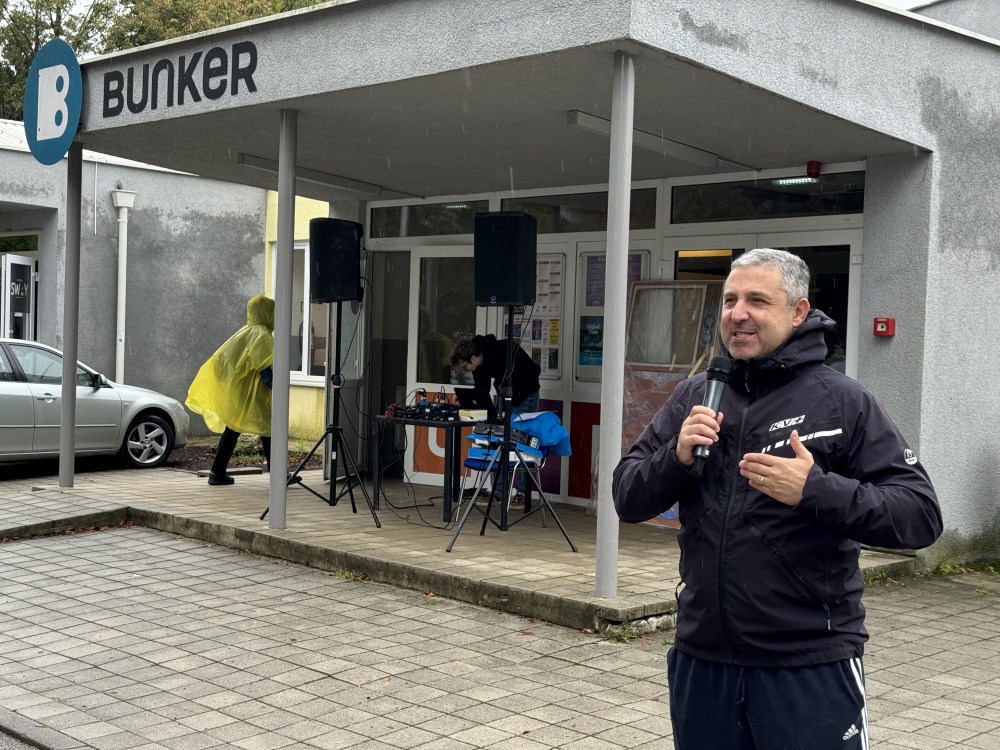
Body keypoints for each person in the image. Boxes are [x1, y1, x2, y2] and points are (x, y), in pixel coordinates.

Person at [612, 249, 942, 749]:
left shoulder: (842, 400)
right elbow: (627, 496)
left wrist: (815, 489)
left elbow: (920, 515)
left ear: (798, 312)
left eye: (757, 301)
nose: (738, 313)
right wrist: (674, 457)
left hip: (807, 664)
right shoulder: (696, 395)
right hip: (703, 658)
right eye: (730, 300)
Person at [186, 294, 275, 486]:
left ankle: (217, 473)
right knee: (268, 430)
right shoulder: (261, 335)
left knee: (233, 430)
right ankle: (278, 476)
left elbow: (221, 360)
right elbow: (265, 368)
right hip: (254, 393)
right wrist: (277, 387)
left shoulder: (244, 332)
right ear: (267, 313)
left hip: (238, 392)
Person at [450, 333, 541, 415]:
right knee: (495, 425)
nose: (464, 371)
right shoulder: (478, 366)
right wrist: (464, 398)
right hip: (506, 396)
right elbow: (481, 389)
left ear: (472, 358)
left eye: (464, 367)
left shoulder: (501, 351)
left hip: (525, 394)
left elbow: (533, 370)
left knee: (520, 427)